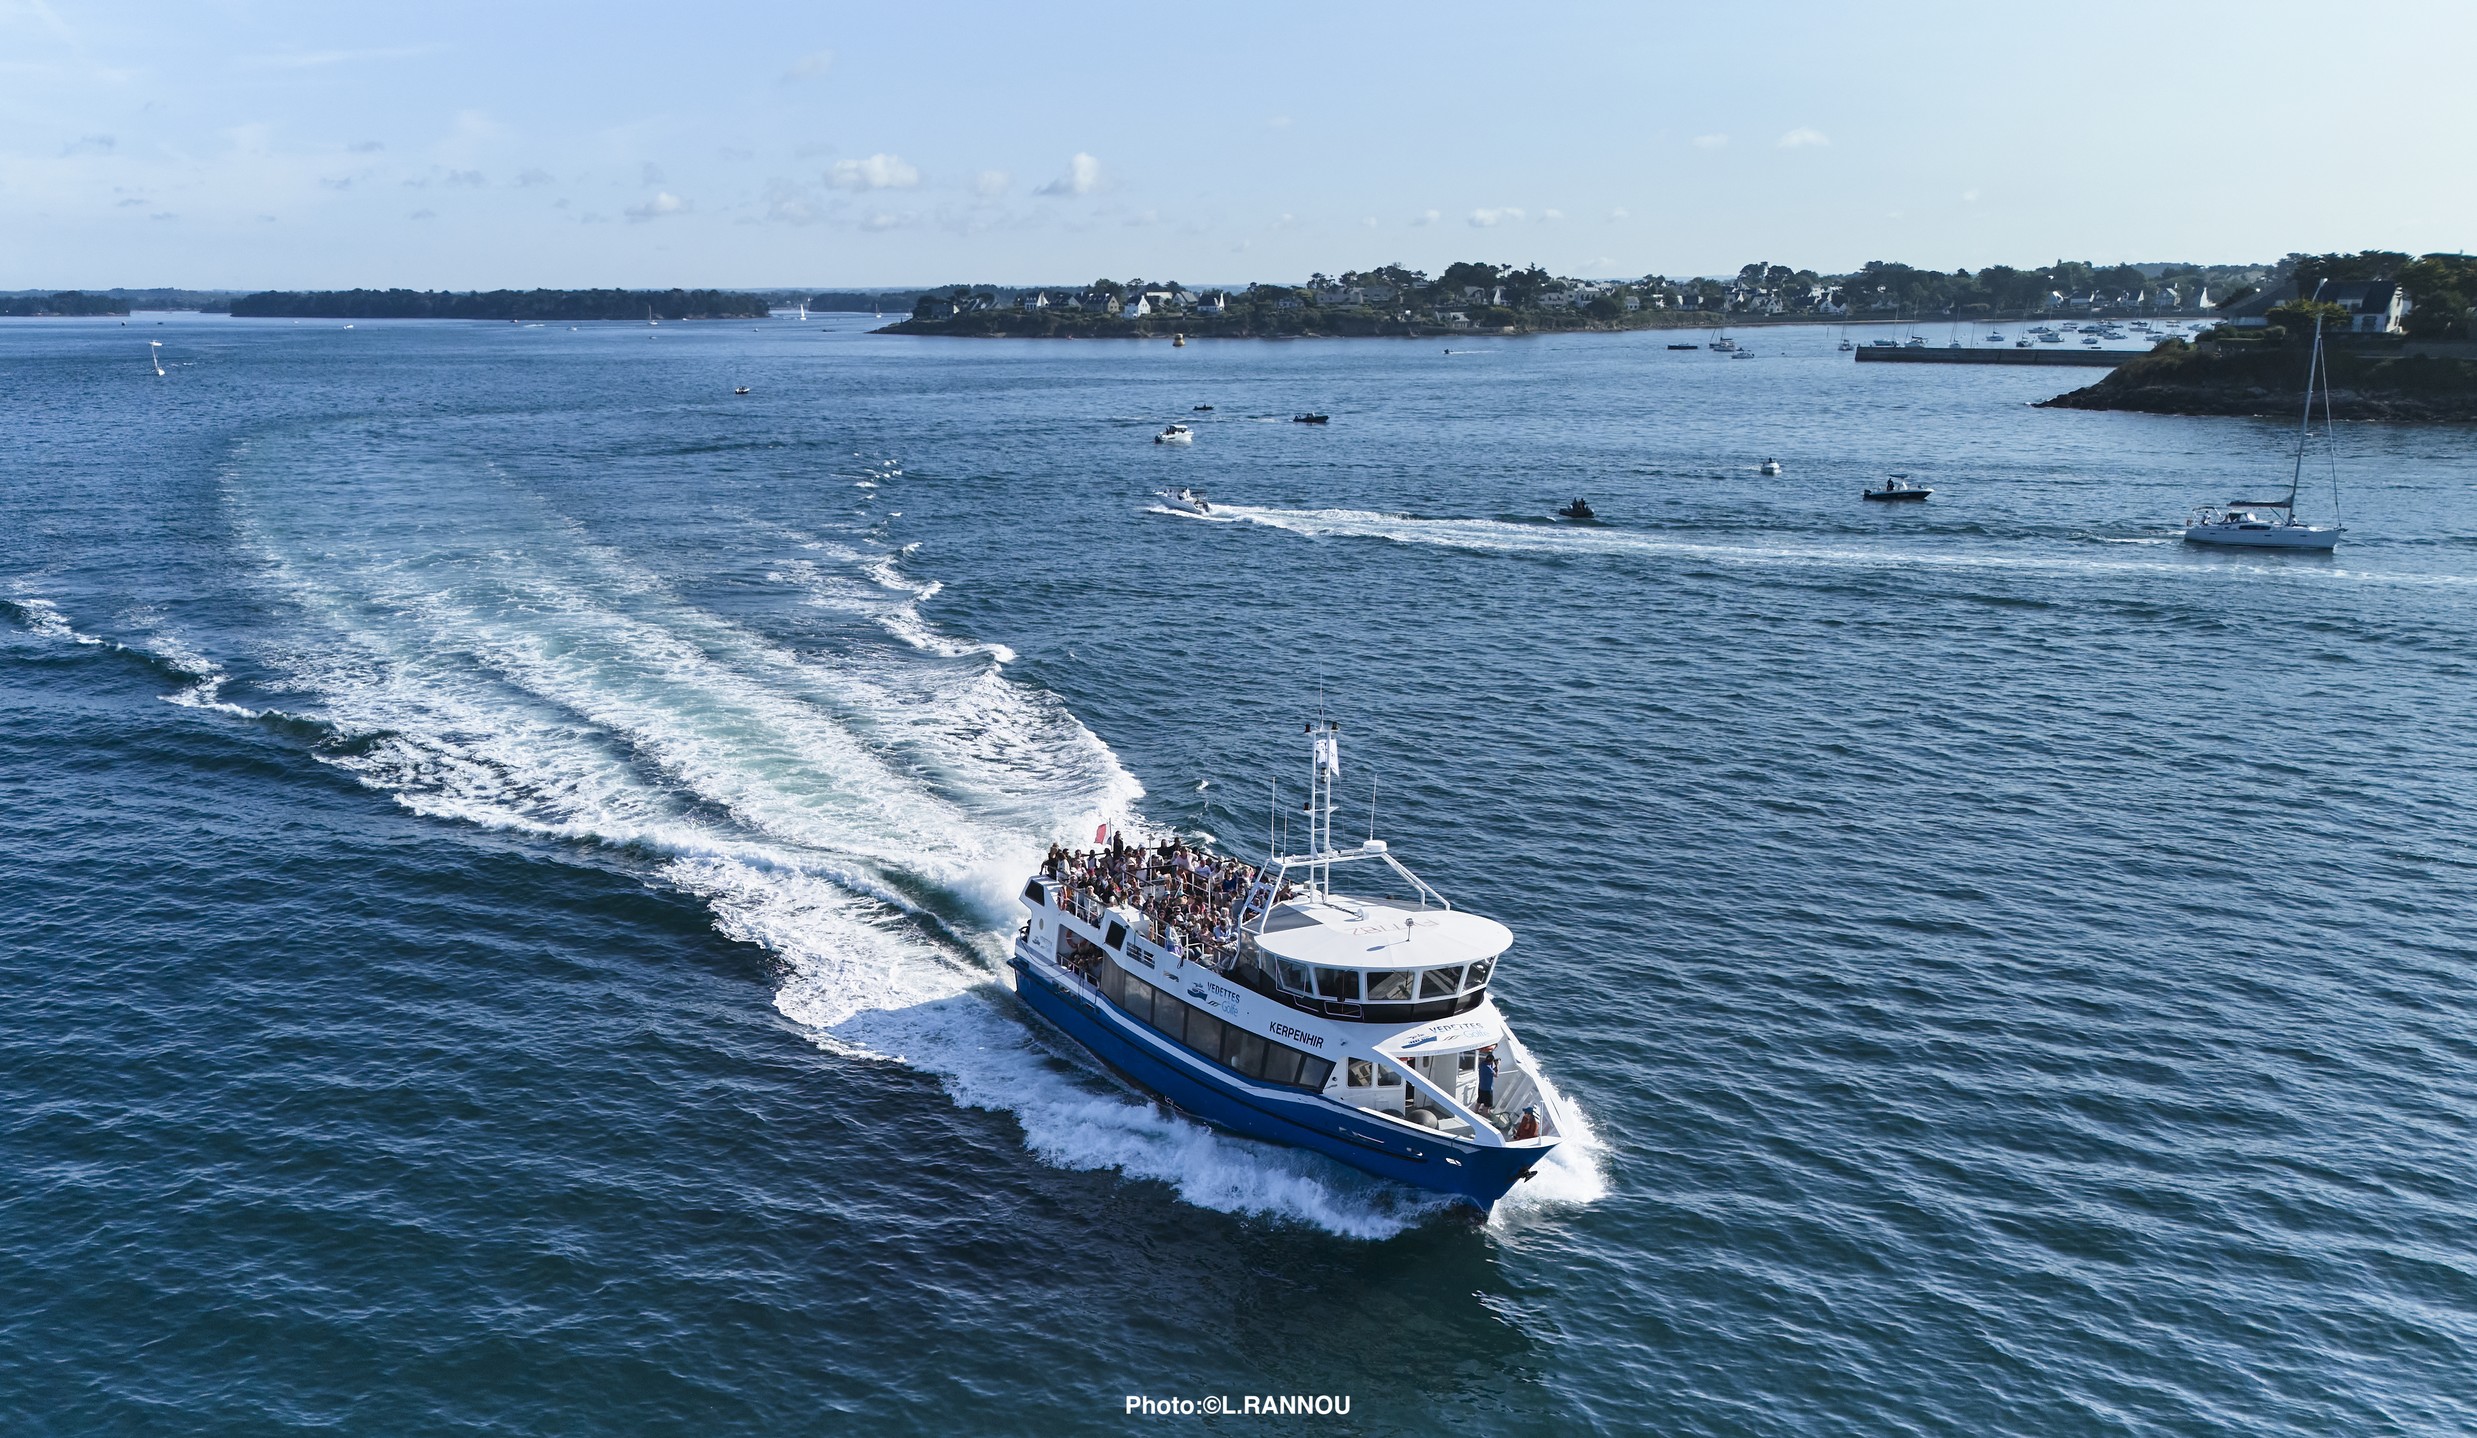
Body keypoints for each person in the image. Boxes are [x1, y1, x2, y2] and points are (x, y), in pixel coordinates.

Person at [1475, 1048, 1497, 1114]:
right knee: (1487, 1106)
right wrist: (1498, 1065)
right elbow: (1496, 1075)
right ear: (1491, 1061)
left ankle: (1475, 1112)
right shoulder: (1488, 1068)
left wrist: (1494, 1067)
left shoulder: (1481, 1064)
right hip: (1487, 1089)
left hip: (1481, 1087)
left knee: (1479, 1101)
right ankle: (1485, 1116)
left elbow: (1490, 1070)